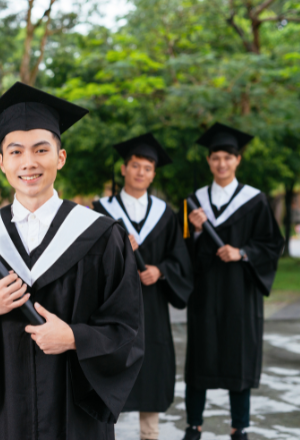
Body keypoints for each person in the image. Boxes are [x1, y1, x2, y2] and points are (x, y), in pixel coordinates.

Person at [0, 82, 145, 439]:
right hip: (0, 414)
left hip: (74, 418)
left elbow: (129, 329)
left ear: (60, 157)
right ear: (1, 162)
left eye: (41, 149)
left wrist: (75, 337)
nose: (28, 162)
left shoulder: (102, 236)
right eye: (15, 152)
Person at [182, 123, 284, 440]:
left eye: (228, 157)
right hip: (206, 296)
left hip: (240, 294)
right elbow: (182, 250)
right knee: (199, 359)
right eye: (216, 157)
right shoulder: (194, 203)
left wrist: (242, 252)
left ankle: (239, 427)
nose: (222, 163)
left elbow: (272, 244)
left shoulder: (254, 200)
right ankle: (193, 426)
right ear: (209, 161)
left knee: (238, 359)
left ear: (238, 160)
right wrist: (197, 231)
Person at [92, 133, 194, 440]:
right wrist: (119, 250)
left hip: (151, 306)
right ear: (124, 169)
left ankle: (150, 436)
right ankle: (102, 432)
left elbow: (180, 259)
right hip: (112, 305)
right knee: (111, 365)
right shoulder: (101, 210)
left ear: (153, 173)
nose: (140, 172)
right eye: (135, 166)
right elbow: (90, 260)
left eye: (147, 168)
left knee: (150, 369)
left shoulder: (165, 214)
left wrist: (160, 271)